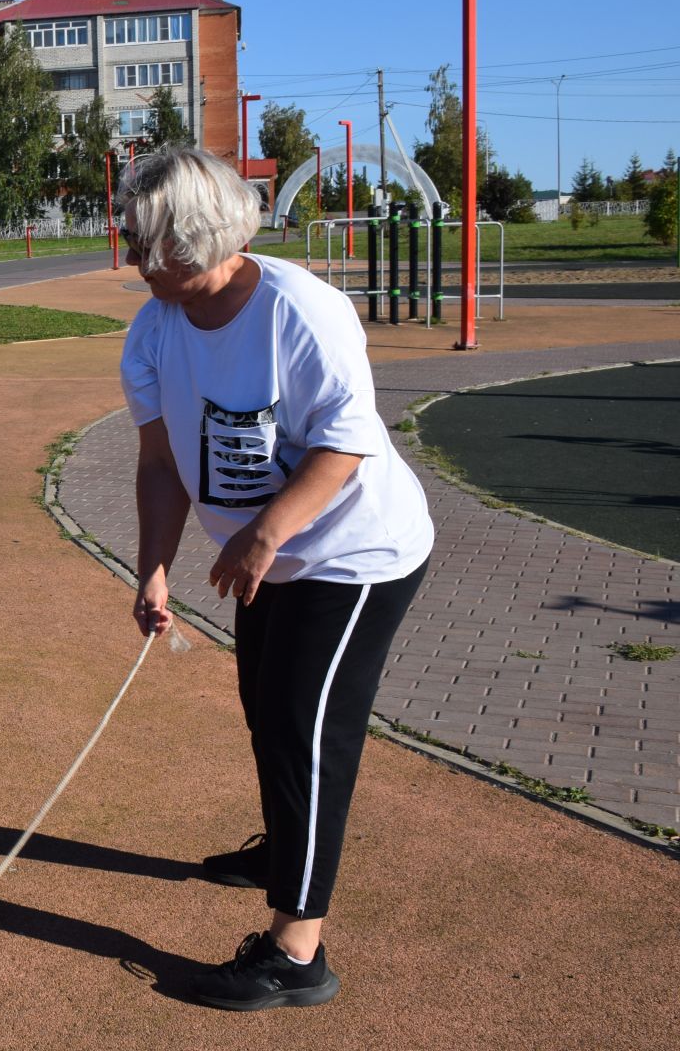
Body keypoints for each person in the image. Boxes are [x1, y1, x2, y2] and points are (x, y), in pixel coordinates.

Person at [117, 146, 433, 1011]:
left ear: (203, 241)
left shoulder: (303, 313)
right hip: (266, 553)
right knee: (264, 703)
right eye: (131, 238)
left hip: (354, 553)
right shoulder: (155, 328)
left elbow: (344, 443)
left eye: (150, 245)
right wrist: (153, 567)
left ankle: (298, 954)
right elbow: (159, 464)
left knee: (305, 727)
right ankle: (285, 847)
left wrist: (263, 537)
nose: (137, 260)